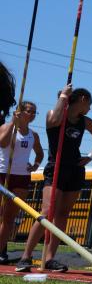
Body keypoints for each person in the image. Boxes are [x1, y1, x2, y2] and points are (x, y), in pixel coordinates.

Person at [16, 86, 92, 273]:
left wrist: (90, 157)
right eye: (89, 103)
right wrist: (64, 97)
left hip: (75, 170)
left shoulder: (86, 121)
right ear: (82, 99)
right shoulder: (56, 115)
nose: (90, 108)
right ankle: (26, 256)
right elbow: (53, 120)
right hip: (55, 167)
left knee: (62, 215)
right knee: (47, 212)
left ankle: (50, 258)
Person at [0, 101, 44, 263]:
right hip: (4, 173)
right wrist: (13, 122)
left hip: (21, 176)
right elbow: (2, 143)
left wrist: (35, 166)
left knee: (9, 218)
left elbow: (39, 153)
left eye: (34, 112)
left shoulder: (34, 135)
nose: (32, 115)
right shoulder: (7, 127)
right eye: (29, 111)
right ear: (20, 111)